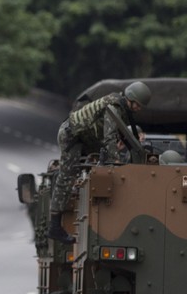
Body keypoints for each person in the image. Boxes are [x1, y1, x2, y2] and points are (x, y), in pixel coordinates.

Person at [48, 81, 151, 242]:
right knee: (67, 176)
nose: (138, 109)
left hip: (86, 138)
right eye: (137, 105)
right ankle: (54, 227)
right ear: (130, 99)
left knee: (98, 168)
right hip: (72, 136)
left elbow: (121, 136)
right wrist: (116, 161)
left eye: (140, 106)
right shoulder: (114, 106)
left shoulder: (123, 109)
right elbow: (109, 136)